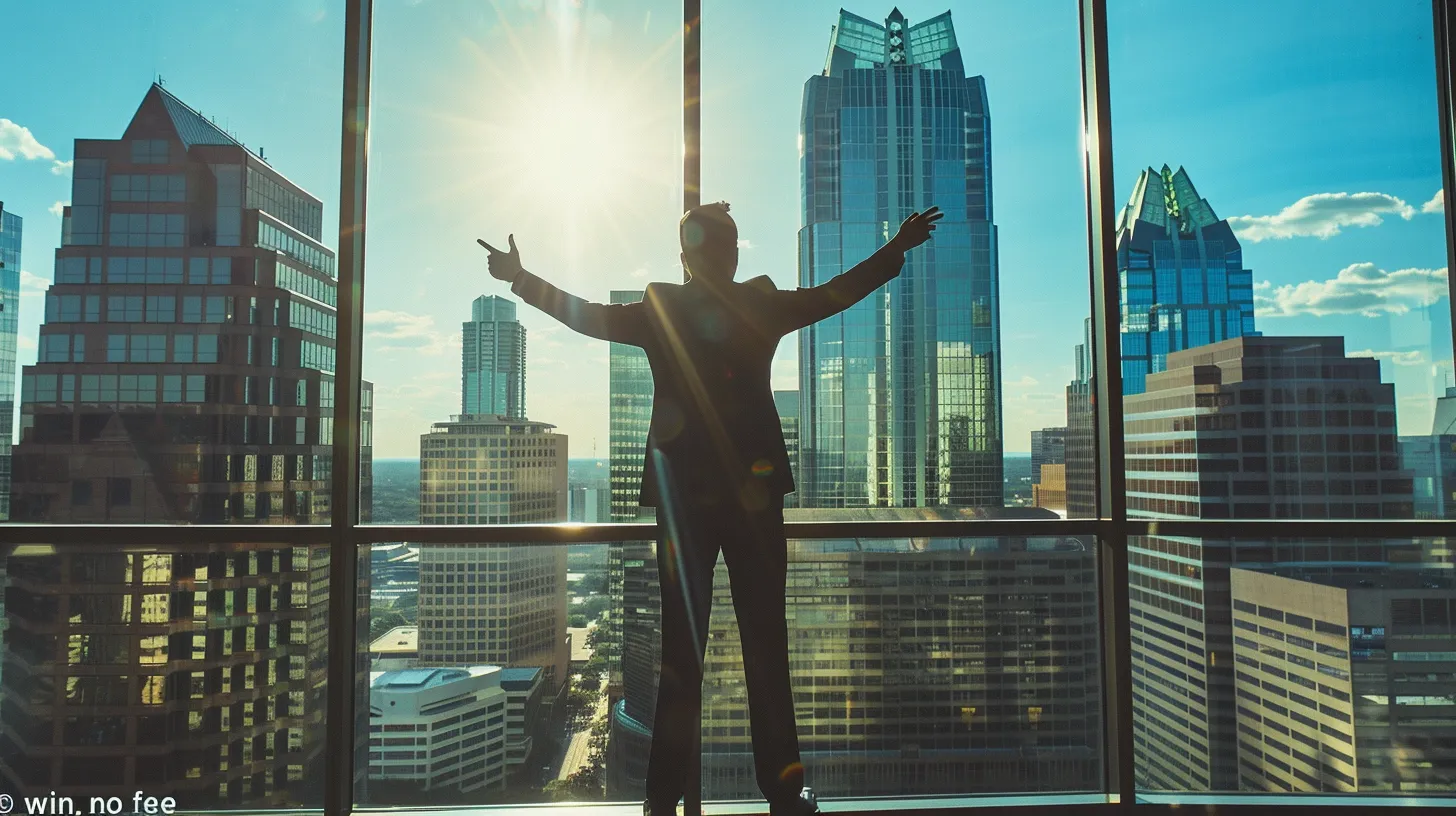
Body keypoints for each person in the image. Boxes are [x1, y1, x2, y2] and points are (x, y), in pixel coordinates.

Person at [479, 203, 942, 816]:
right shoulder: (760, 304)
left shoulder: (661, 309)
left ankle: (662, 799)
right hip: (753, 499)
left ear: (685, 259)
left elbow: (585, 317)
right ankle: (780, 793)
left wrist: (520, 277)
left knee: (681, 651)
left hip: (682, 498)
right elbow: (838, 294)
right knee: (765, 645)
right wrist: (898, 248)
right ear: (734, 254)